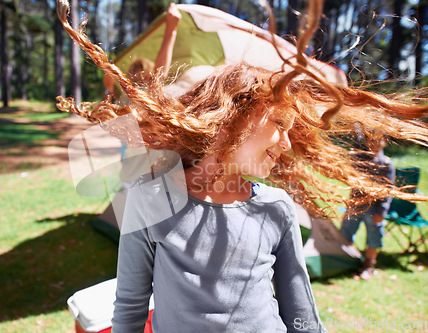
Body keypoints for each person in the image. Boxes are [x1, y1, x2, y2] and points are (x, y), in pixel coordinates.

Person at [56, 0, 428, 331]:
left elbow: (302, 313)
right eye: (280, 125)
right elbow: (130, 309)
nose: (285, 144)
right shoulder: (150, 200)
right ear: (231, 118)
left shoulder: (276, 207)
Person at [340, 131, 395, 280]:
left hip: (375, 208)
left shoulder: (386, 164)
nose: (374, 144)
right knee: (346, 231)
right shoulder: (359, 159)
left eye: (378, 141)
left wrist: (382, 212)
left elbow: (388, 191)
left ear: (384, 142)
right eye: (371, 141)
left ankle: (368, 266)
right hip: (357, 205)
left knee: (374, 235)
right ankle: (347, 261)